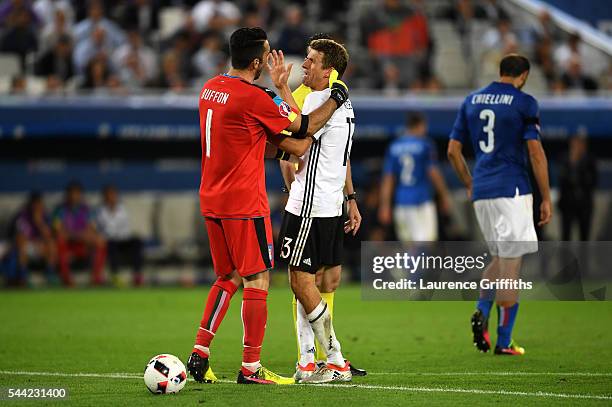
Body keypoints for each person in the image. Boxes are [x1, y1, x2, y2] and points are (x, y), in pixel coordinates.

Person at [187, 26, 349, 385]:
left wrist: (276, 140)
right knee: (258, 279)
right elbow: (304, 132)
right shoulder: (256, 97)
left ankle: (200, 353)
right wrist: (335, 98)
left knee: (226, 277)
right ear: (257, 60)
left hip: (211, 197)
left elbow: (249, 138)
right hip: (244, 201)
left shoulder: (210, 88)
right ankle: (250, 367)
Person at [447, 54, 552, 356]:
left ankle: (482, 310)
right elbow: (536, 154)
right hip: (512, 190)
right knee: (511, 266)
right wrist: (545, 197)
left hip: (482, 191)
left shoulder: (472, 100)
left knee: (498, 257)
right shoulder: (524, 102)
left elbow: (453, 151)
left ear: (501, 72)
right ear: (524, 75)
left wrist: (469, 183)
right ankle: (505, 341)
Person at [277, 34, 367, 381]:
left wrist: (264, 140)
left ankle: (333, 358)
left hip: (310, 206)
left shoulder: (322, 98)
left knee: (303, 281)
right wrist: (350, 198)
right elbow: (336, 153)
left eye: (311, 59)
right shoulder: (343, 101)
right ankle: (309, 361)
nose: (304, 63)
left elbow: (300, 136)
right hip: (327, 203)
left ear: (328, 69)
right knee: (313, 279)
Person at [379, 112, 452, 242]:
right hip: (421, 201)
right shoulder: (425, 144)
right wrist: (444, 196)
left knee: (408, 248)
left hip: (401, 202)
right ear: (420, 125)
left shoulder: (394, 146)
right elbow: (433, 172)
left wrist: (385, 205)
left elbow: (388, 179)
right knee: (425, 244)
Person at [53, 181, 107, 286]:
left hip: (82, 244)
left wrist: (84, 235)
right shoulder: (60, 210)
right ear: (67, 195)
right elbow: (58, 230)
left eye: (76, 194)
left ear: (80, 195)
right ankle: (66, 278)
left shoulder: (86, 210)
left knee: (100, 240)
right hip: (67, 244)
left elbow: (92, 229)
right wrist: (76, 235)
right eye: (71, 194)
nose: (74, 197)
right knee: (60, 239)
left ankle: (95, 278)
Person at [96, 185, 144, 286]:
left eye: (113, 195)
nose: (111, 197)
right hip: (110, 240)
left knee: (137, 241)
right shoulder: (99, 211)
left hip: (123, 238)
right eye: (108, 195)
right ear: (104, 197)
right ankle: (115, 275)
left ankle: (137, 275)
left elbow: (125, 227)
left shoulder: (123, 209)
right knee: (111, 244)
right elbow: (102, 229)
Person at [8, 192, 56, 286]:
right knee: (22, 242)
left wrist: (38, 222)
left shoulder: (45, 216)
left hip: (41, 246)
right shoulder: (22, 216)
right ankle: (22, 275)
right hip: (25, 246)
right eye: (34, 204)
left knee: (51, 243)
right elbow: (20, 236)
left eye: (39, 204)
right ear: (30, 205)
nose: (37, 207)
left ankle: (50, 273)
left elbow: (49, 235)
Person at [558, 134, 598, 241]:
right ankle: (565, 257)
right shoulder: (565, 159)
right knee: (566, 236)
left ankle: (583, 258)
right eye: (574, 143)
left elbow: (593, 181)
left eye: (580, 143)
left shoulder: (589, 159)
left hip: (584, 205)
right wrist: (572, 163)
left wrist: (579, 165)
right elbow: (561, 179)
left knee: (584, 237)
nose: (577, 146)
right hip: (567, 204)